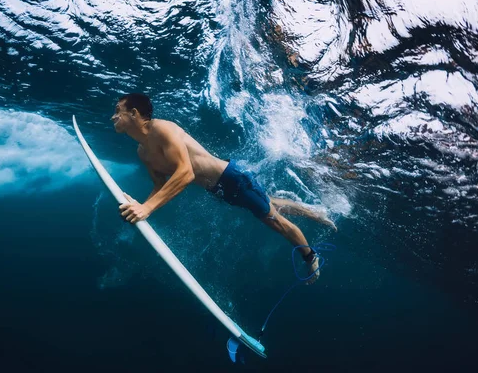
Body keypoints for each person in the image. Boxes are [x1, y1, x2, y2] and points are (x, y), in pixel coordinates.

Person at [113, 93, 336, 283]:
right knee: (268, 204)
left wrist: (147, 209)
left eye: (118, 111)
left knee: (274, 220)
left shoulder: (162, 129)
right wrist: (142, 205)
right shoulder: (142, 152)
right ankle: (314, 212)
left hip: (233, 178)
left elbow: (186, 172)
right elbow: (160, 185)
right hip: (218, 189)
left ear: (134, 113)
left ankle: (310, 256)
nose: (113, 116)